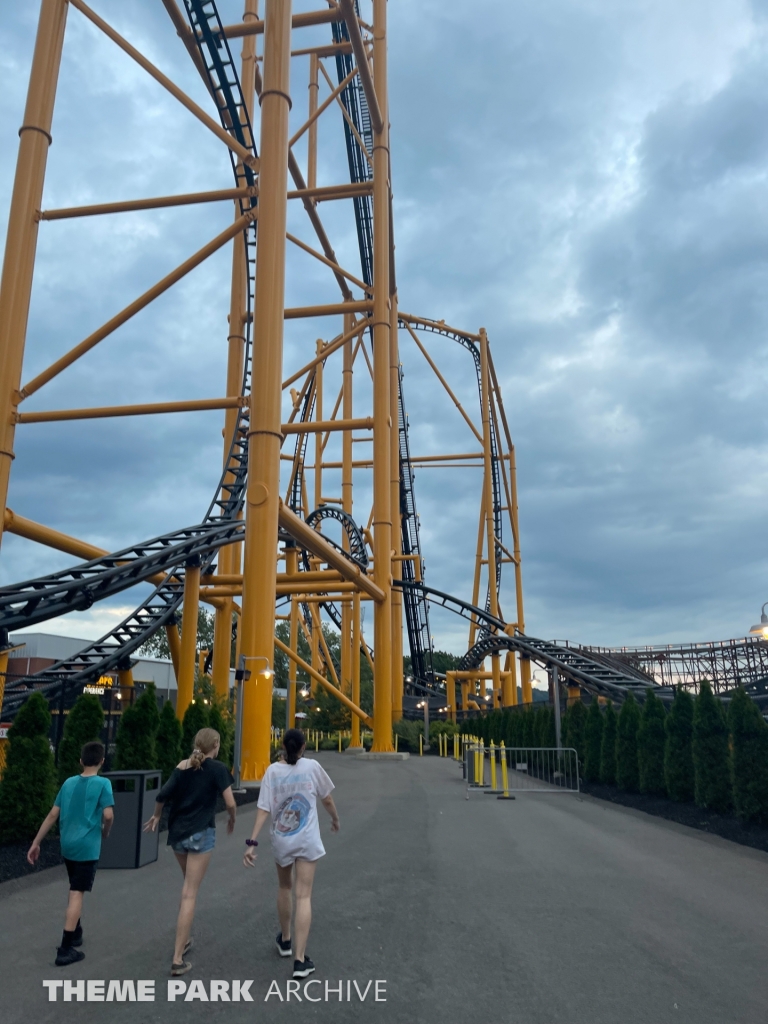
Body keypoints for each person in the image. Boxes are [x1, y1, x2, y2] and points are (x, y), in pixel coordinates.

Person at [243, 728, 339, 979]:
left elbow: (263, 809)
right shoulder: (312, 767)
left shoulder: (272, 771)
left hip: (282, 840)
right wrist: (335, 819)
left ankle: (285, 941)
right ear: (304, 746)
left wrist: (252, 842)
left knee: (285, 888)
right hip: (307, 840)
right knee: (304, 896)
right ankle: (299, 960)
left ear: (283, 746)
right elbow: (327, 799)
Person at [143, 727, 236, 977]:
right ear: (215, 744)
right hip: (201, 833)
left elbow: (162, 795)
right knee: (189, 893)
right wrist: (232, 819)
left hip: (177, 836)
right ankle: (176, 958)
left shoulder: (182, 766)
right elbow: (230, 802)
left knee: (188, 887)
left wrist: (156, 816)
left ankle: (184, 941)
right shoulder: (217, 768)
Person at [27, 740, 115, 966]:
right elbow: (107, 815)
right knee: (77, 892)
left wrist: (36, 842)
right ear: (102, 761)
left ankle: (75, 931)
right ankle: (65, 949)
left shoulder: (68, 783)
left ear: (80, 761)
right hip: (87, 847)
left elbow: (52, 815)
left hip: (67, 845)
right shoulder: (103, 783)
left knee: (74, 886)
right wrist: (106, 832)